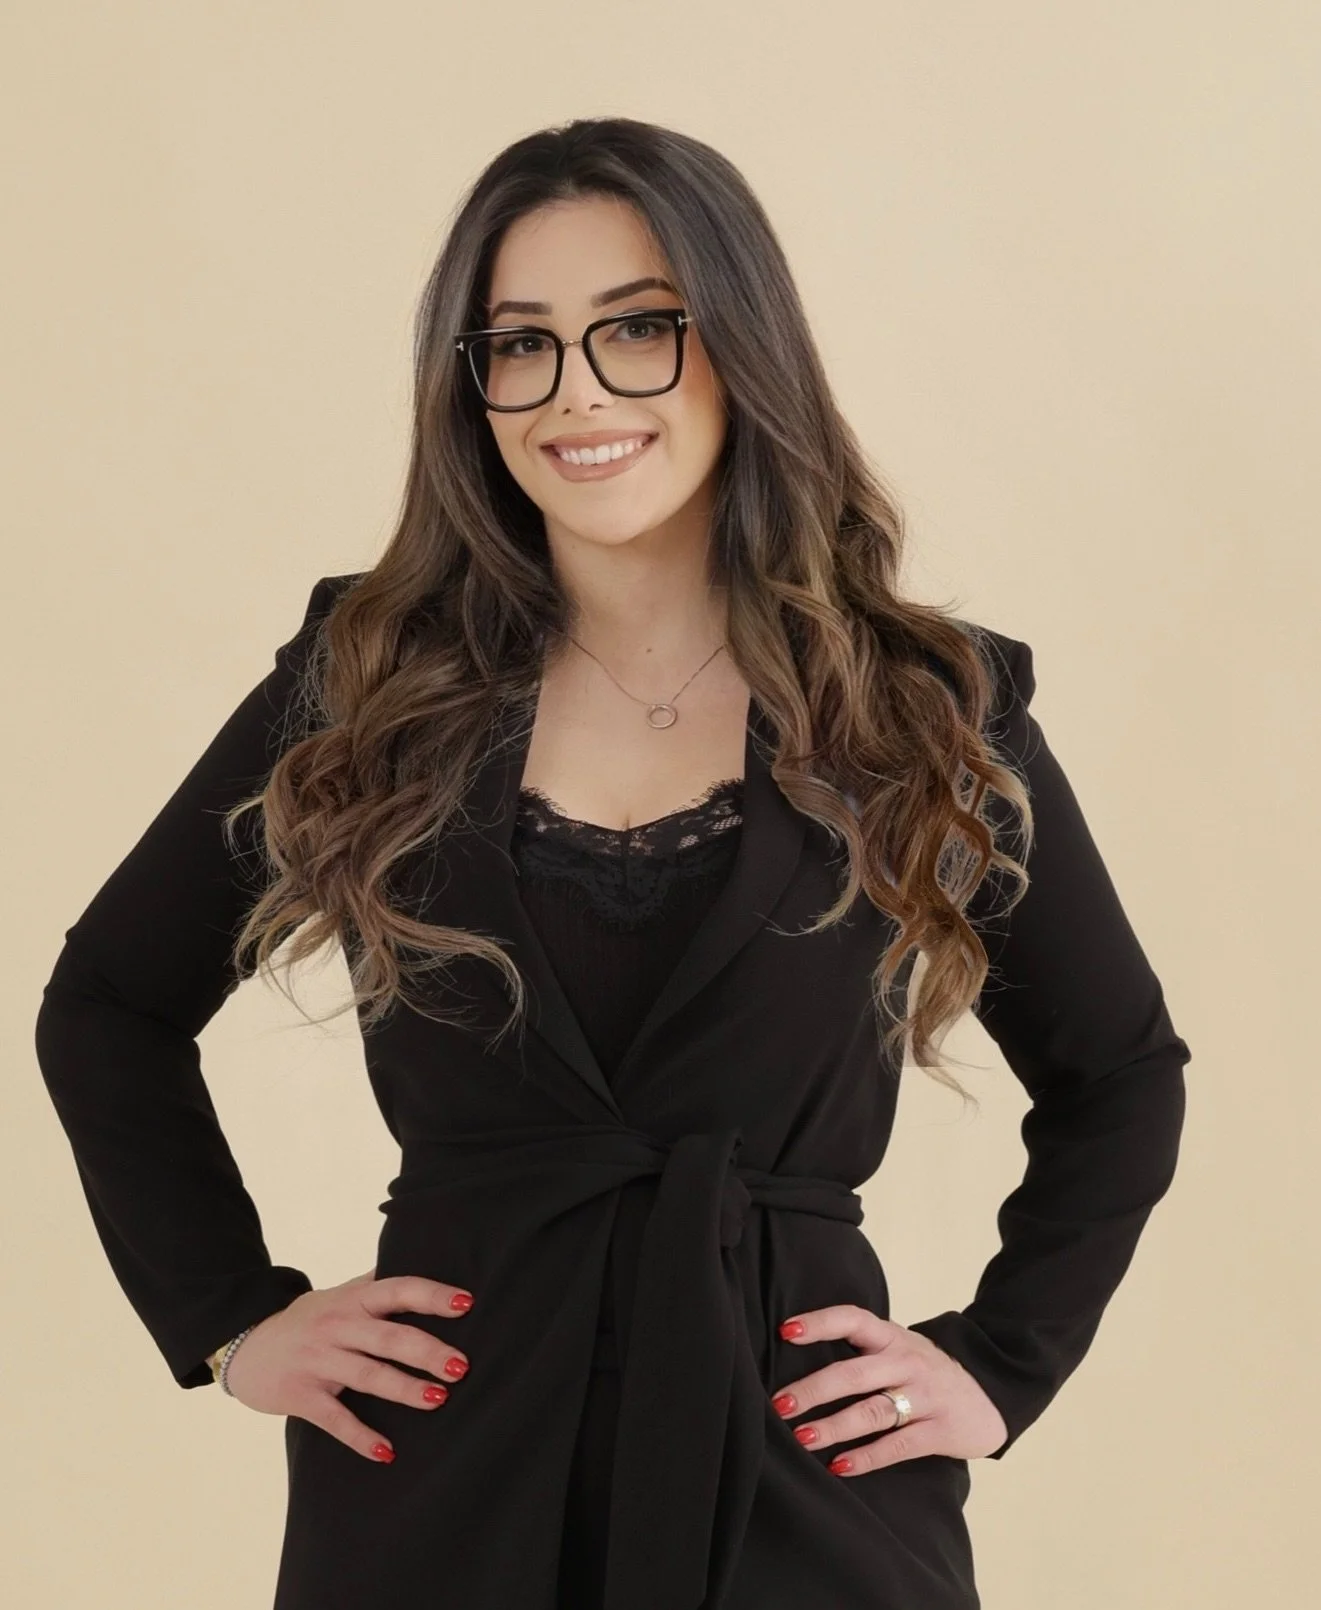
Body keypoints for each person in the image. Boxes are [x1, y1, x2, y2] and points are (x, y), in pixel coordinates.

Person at [33, 116, 1191, 1610]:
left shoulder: (921, 704)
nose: (578, 393)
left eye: (639, 329)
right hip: (437, 1487)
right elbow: (108, 1006)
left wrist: (998, 1362)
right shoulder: (368, 679)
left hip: (802, 1489)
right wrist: (232, 1319)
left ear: (740, 347)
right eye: (521, 345)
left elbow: (1123, 1073)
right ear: (474, 386)